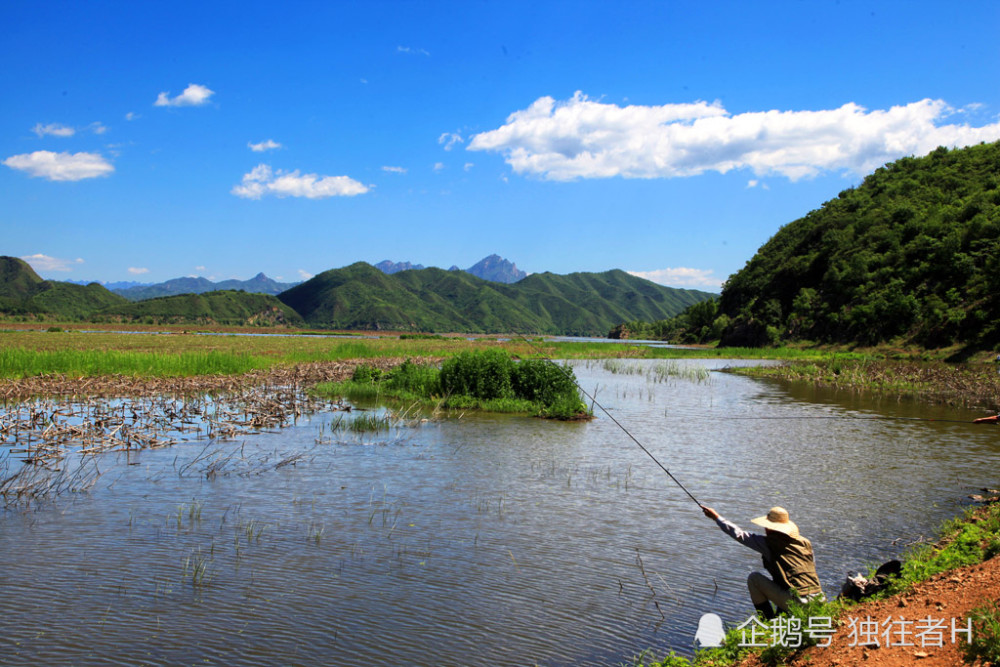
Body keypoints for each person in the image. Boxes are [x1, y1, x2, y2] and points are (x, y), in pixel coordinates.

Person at [701, 505, 823, 619]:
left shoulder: (768, 544)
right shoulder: (805, 542)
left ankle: (768, 623)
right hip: (819, 600)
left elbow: (740, 535)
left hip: (800, 603)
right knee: (783, 582)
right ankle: (785, 614)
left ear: (769, 528)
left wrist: (716, 517)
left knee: (754, 579)